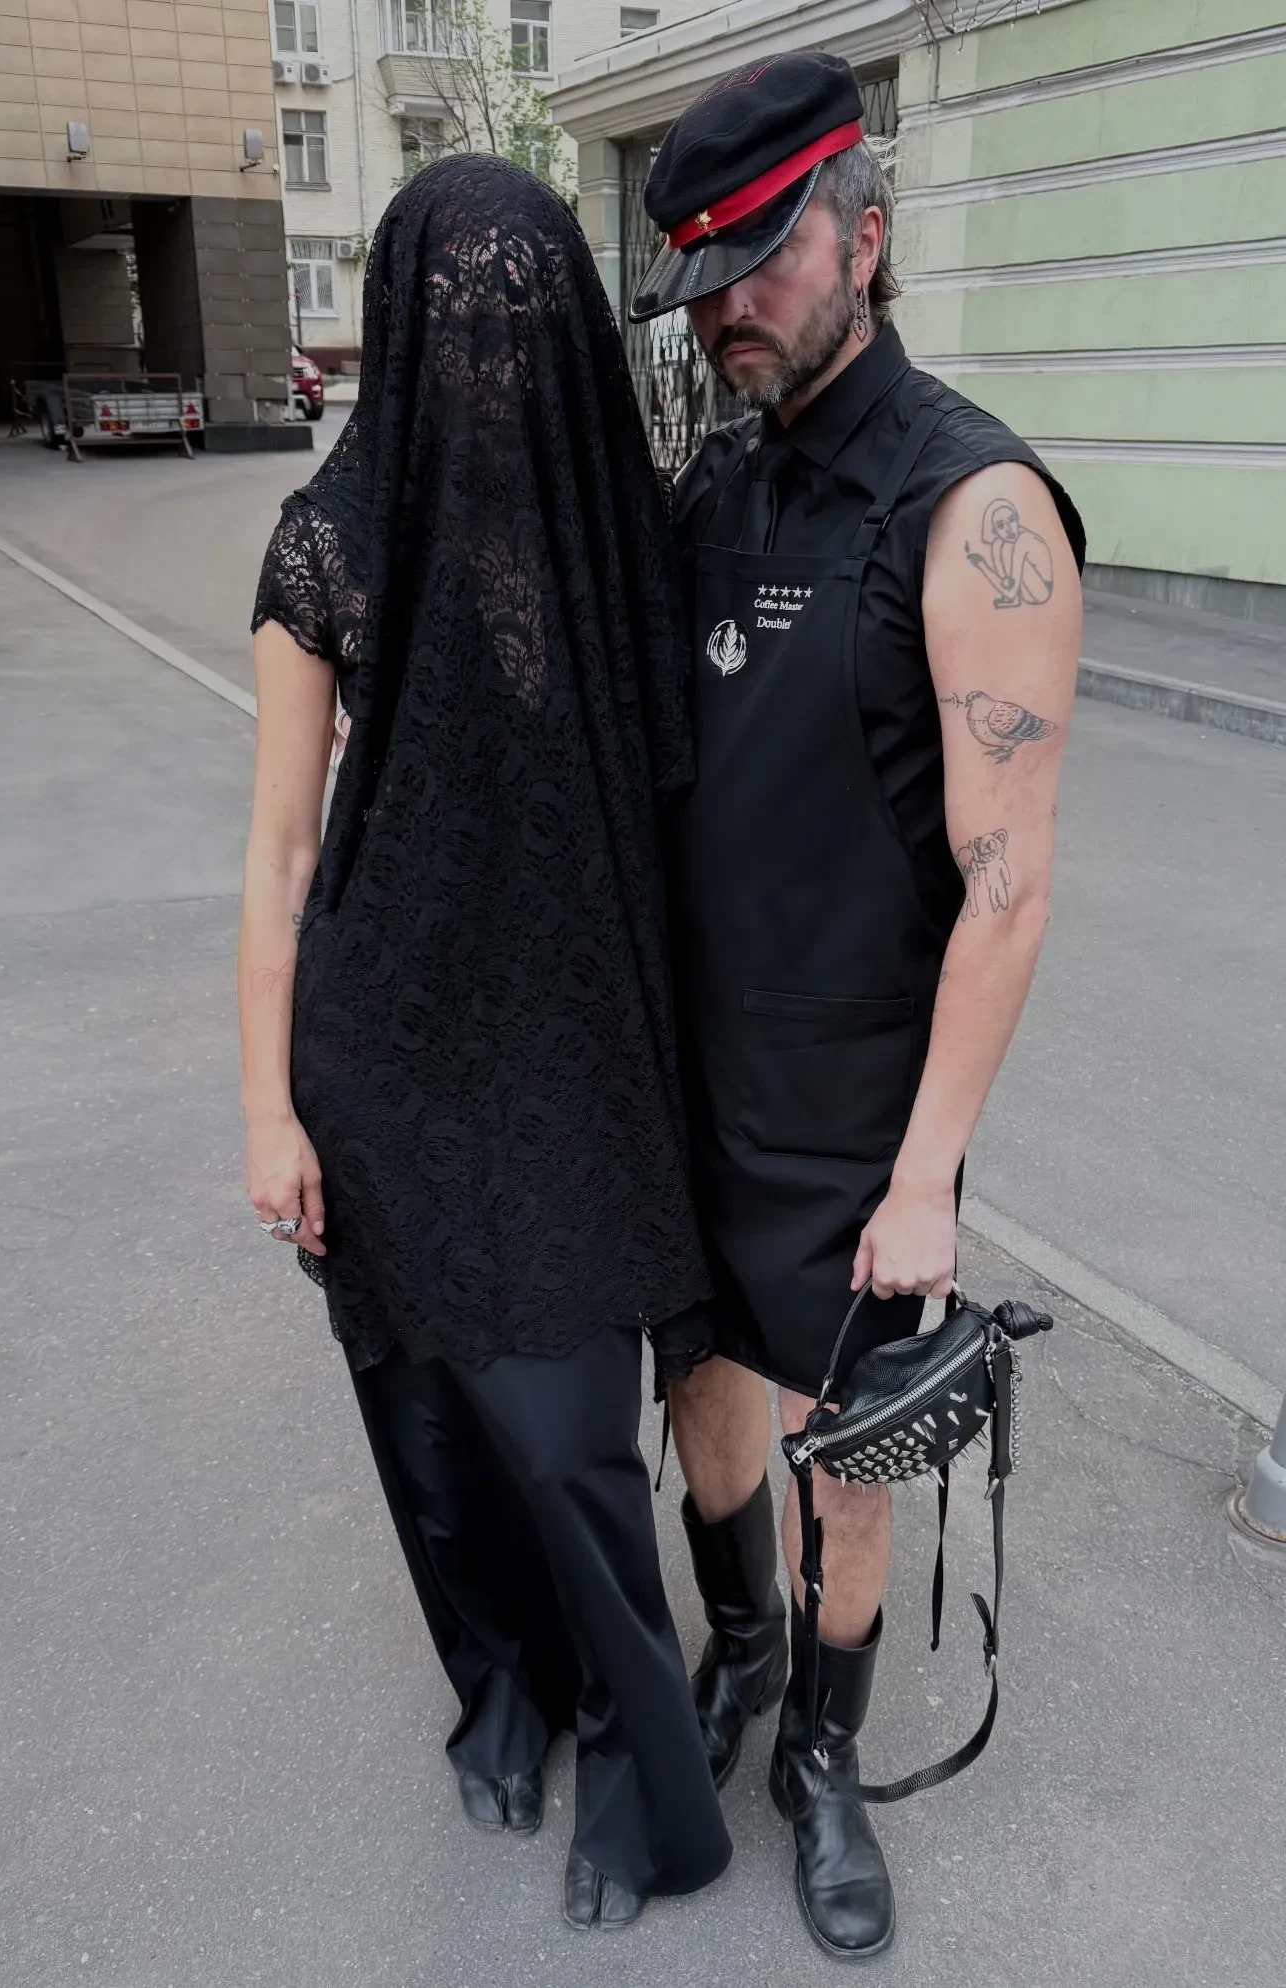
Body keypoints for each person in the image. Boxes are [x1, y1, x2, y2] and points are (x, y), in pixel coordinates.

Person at [238, 157, 731, 1931]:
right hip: (385, 1051)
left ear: (570, 324)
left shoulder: (630, 530)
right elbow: (282, 852)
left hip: (580, 1055)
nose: (490, 345)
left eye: (524, 307)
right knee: (430, 1422)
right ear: (399, 321)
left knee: (575, 1437)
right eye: (457, 308)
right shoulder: (330, 541)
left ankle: (636, 1756)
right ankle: (505, 1686)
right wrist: (266, 1104)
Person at [629, 52, 1086, 1961]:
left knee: (848, 1459)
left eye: (765, 262)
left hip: (853, 1114)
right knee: (705, 1396)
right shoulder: (714, 484)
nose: (728, 307)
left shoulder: (974, 506)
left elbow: (1009, 888)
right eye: (702, 279)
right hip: (689, 1076)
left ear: (866, 238)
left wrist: (925, 1180)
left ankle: (822, 1752)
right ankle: (740, 1644)